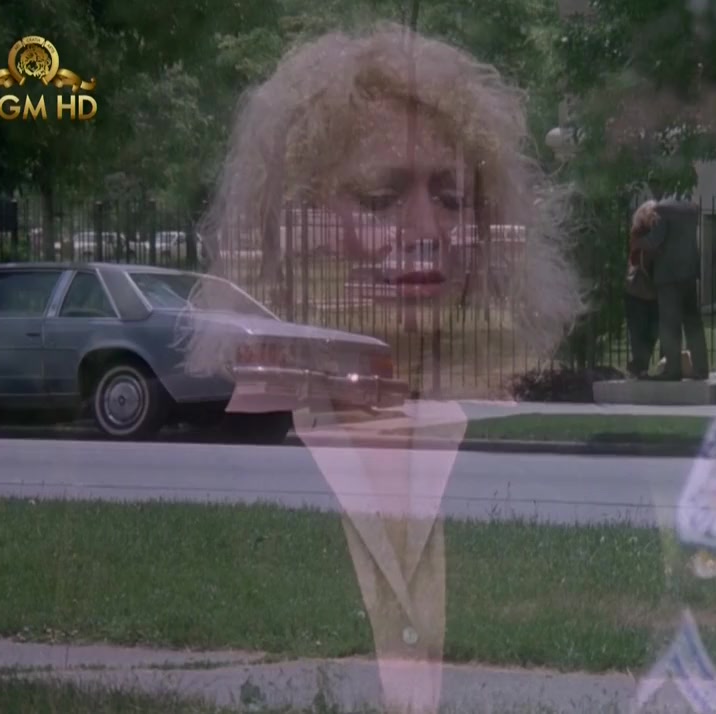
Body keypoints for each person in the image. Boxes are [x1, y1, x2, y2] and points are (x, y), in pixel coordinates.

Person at [178, 22, 585, 714]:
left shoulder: (510, 444)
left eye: (452, 199)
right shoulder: (223, 457)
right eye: (378, 198)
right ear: (290, 222)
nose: (425, 233)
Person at [639, 183, 709, 381]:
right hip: (689, 273)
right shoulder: (690, 208)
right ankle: (701, 369)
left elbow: (655, 240)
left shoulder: (662, 209)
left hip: (668, 276)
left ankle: (673, 369)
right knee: (693, 323)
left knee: (670, 325)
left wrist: (640, 241)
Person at [625, 200, 660, 378]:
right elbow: (637, 259)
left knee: (652, 332)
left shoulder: (658, 234)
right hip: (638, 291)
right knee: (639, 332)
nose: (654, 216)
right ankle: (640, 365)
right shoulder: (639, 235)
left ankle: (640, 365)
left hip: (653, 293)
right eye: (650, 212)